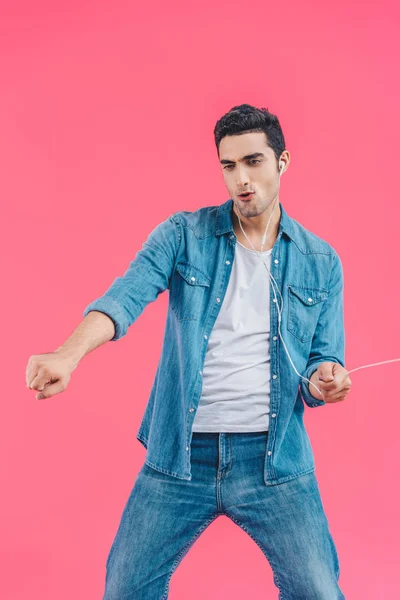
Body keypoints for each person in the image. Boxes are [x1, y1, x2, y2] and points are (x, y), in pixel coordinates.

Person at [26, 104, 352, 599]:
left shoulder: (320, 261)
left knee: (317, 591)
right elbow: (125, 296)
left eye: (254, 161)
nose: (241, 179)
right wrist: (67, 355)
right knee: (126, 589)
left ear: (282, 161)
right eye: (229, 166)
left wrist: (327, 377)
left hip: (273, 459)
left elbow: (321, 362)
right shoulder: (184, 235)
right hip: (180, 454)